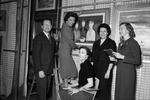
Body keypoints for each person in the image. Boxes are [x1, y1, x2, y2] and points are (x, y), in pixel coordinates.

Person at [110, 22, 142, 100]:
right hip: (120, 72)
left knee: (127, 94)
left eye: (122, 29)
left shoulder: (133, 43)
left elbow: (138, 61)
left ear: (128, 30)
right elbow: (119, 60)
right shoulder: (121, 43)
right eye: (119, 29)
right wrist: (114, 59)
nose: (120, 30)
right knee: (119, 93)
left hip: (128, 74)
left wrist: (122, 57)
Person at [32, 18, 56, 100]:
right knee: (42, 94)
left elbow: (52, 55)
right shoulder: (38, 38)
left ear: (51, 26)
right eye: (45, 24)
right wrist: (39, 70)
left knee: (46, 92)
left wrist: (52, 69)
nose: (47, 26)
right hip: (41, 70)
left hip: (49, 70)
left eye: (49, 24)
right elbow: (35, 56)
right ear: (42, 26)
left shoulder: (53, 40)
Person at [92, 23, 117, 100]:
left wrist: (108, 71)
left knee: (104, 90)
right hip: (95, 69)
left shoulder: (111, 43)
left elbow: (112, 58)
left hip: (105, 69)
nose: (102, 33)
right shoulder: (95, 43)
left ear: (108, 32)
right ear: (98, 32)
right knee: (95, 90)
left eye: (104, 31)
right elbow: (93, 57)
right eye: (101, 31)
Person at [59, 12, 79, 88]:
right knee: (66, 67)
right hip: (64, 51)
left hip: (66, 50)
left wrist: (78, 15)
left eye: (73, 20)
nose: (72, 22)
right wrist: (77, 47)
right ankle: (66, 84)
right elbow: (70, 40)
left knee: (69, 67)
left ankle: (67, 83)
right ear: (66, 20)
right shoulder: (65, 28)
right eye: (70, 20)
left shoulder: (67, 27)